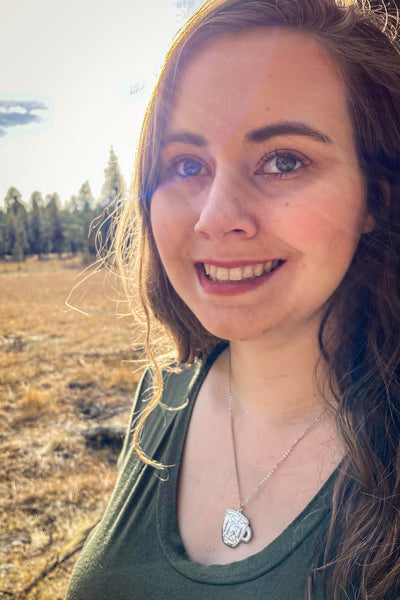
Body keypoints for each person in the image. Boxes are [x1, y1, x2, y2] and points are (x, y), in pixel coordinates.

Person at [66, 0, 400, 598]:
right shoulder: (161, 396)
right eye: (187, 163)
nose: (216, 218)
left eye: (283, 160)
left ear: (374, 196)